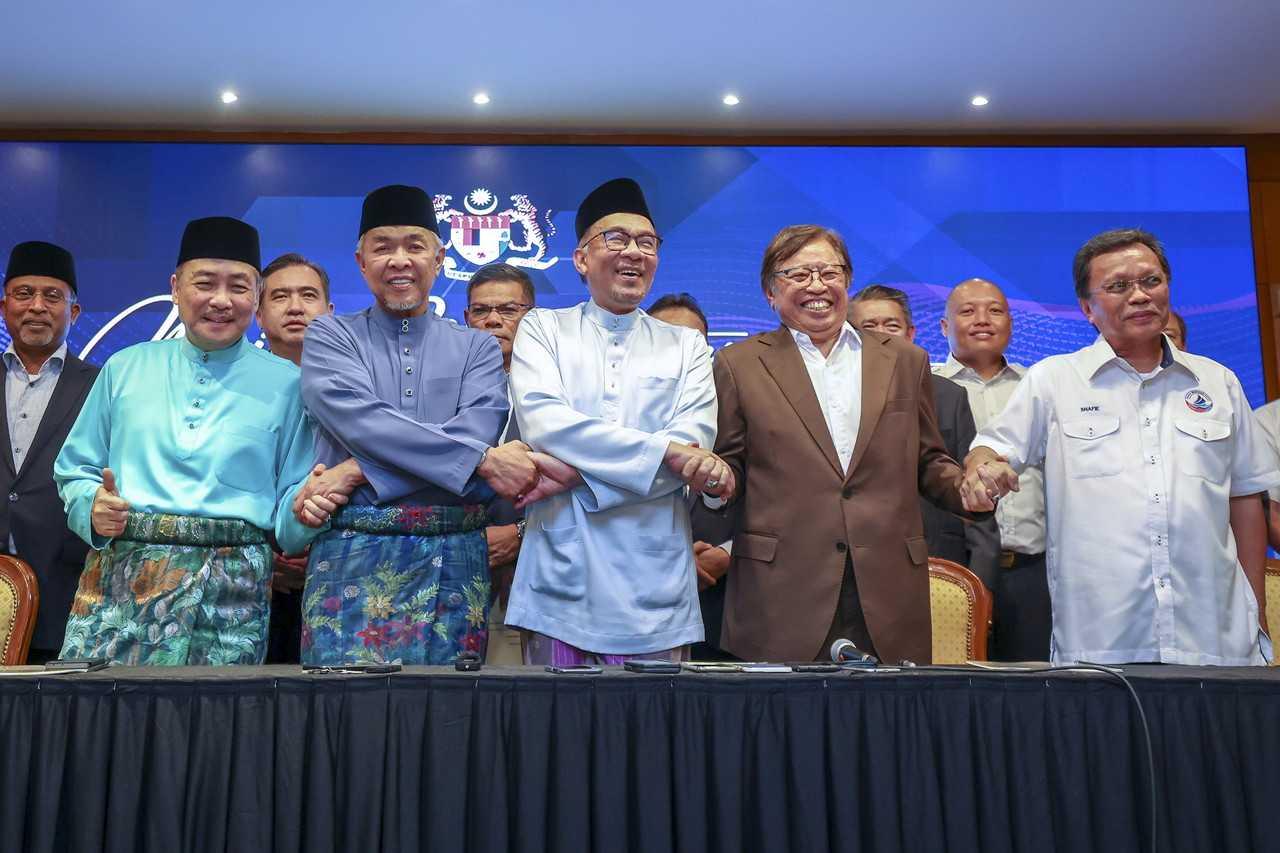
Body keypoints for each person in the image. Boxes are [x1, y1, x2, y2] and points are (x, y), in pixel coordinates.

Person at [962, 228, 1278, 665]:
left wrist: (1255, 610)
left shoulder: (1218, 381)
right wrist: (984, 471)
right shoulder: (1054, 380)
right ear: (1087, 308)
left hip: (1214, 635)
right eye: (1117, 286)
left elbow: (1245, 498)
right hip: (1102, 639)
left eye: (1151, 281)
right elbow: (990, 451)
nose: (1140, 295)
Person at [54, 217, 321, 665]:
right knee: (103, 719)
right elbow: (74, 469)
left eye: (238, 286)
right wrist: (92, 506)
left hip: (232, 591)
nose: (220, 300)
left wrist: (310, 507)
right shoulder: (125, 367)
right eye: (204, 283)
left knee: (215, 727)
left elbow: (291, 512)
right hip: (123, 578)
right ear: (175, 287)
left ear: (255, 297)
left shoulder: (289, 385)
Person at [295, 184, 543, 665]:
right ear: (361, 261)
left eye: (414, 245)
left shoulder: (479, 348)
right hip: (352, 555)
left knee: (447, 718)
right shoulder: (330, 335)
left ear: (440, 258)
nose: (399, 260)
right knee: (342, 712)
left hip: (454, 557)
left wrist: (358, 472)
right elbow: (359, 420)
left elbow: (476, 431)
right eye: (382, 247)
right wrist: (476, 461)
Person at [710, 225, 974, 665]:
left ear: (847, 282)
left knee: (887, 728)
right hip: (781, 592)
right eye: (797, 275)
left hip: (887, 588)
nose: (816, 285)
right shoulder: (738, 364)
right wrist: (715, 483)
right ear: (770, 293)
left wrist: (967, 489)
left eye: (828, 272)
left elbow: (929, 460)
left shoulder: (906, 360)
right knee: (785, 730)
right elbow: (729, 465)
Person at [506, 178, 732, 664]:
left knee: (655, 736)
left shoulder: (686, 346)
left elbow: (692, 446)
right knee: (552, 734)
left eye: (646, 242)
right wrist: (664, 453)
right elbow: (546, 423)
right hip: (559, 576)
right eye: (617, 239)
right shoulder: (544, 329)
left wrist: (575, 473)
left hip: (654, 585)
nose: (634, 251)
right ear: (582, 259)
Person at [847, 284, 1000, 591]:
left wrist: (978, 587)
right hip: (852, 567)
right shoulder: (832, 397)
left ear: (911, 333)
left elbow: (970, 489)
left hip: (938, 567)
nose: (882, 335)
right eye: (869, 327)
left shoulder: (948, 396)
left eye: (892, 325)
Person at [935, 278, 1051, 660]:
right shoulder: (922, 388)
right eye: (967, 311)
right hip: (949, 575)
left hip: (1032, 572)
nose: (982, 320)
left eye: (995, 310)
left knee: (1035, 693)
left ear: (1012, 323)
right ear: (944, 326)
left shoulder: (1040, 387)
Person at [0, 241, 98, 663]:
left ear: (74, 312)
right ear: (4, 307)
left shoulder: (102, 386)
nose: (37, 306)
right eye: (24, 294)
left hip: (65, 594)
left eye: (52, 296)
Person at [647, 291, 737, 660]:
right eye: (666, 338)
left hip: (727, 605)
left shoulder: (740, 406)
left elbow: (786, 500)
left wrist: (731, 554)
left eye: (692, 342)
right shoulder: (608, 409)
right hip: (634, 599)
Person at [255, 252, 334, 664]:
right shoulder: (236, 390)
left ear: (330, 310)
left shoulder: (362, 384)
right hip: (252, 581)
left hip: (343, 574)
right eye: (280, 296)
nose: (296, 307)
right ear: (258, 313)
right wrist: (264, 560)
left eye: (309, 295)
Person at [463, 262, 536, 664]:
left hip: (535, 574)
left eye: (509, 310)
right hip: (454, 568)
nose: (493, 320)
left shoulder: (558, 390)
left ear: (532, 317)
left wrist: (521, 533)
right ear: (465, 318)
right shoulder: (439, 385)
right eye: (481, 310)